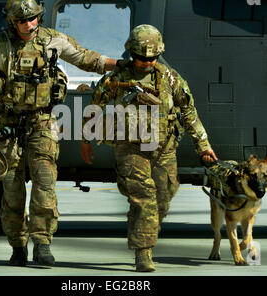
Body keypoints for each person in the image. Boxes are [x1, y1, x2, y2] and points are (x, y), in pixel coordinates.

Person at [0, 0, 117, 267]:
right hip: (7, 123)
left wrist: (122, 64)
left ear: (39, 17)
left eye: (32, 18)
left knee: (45, 185)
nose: (28, 24)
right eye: (22, 20)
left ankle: (43, 243)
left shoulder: (52, 40)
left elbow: (86, 58)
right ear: (12, 22)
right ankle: (18, 245)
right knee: (11, 190)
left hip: (43, 122)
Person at [80, 24, 217, 272]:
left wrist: (203, 145)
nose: (147, 62)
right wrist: (86, 139)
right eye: (142, 58)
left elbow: (188, 111)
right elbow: (95, 107)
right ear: (132, 54)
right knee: (145, 198)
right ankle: (144, 253)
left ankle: (139, 227)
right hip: (131, 149)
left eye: (152, 58)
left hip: (164, 149)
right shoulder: (116, 79)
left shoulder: (171, 78)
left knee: (163, 198)